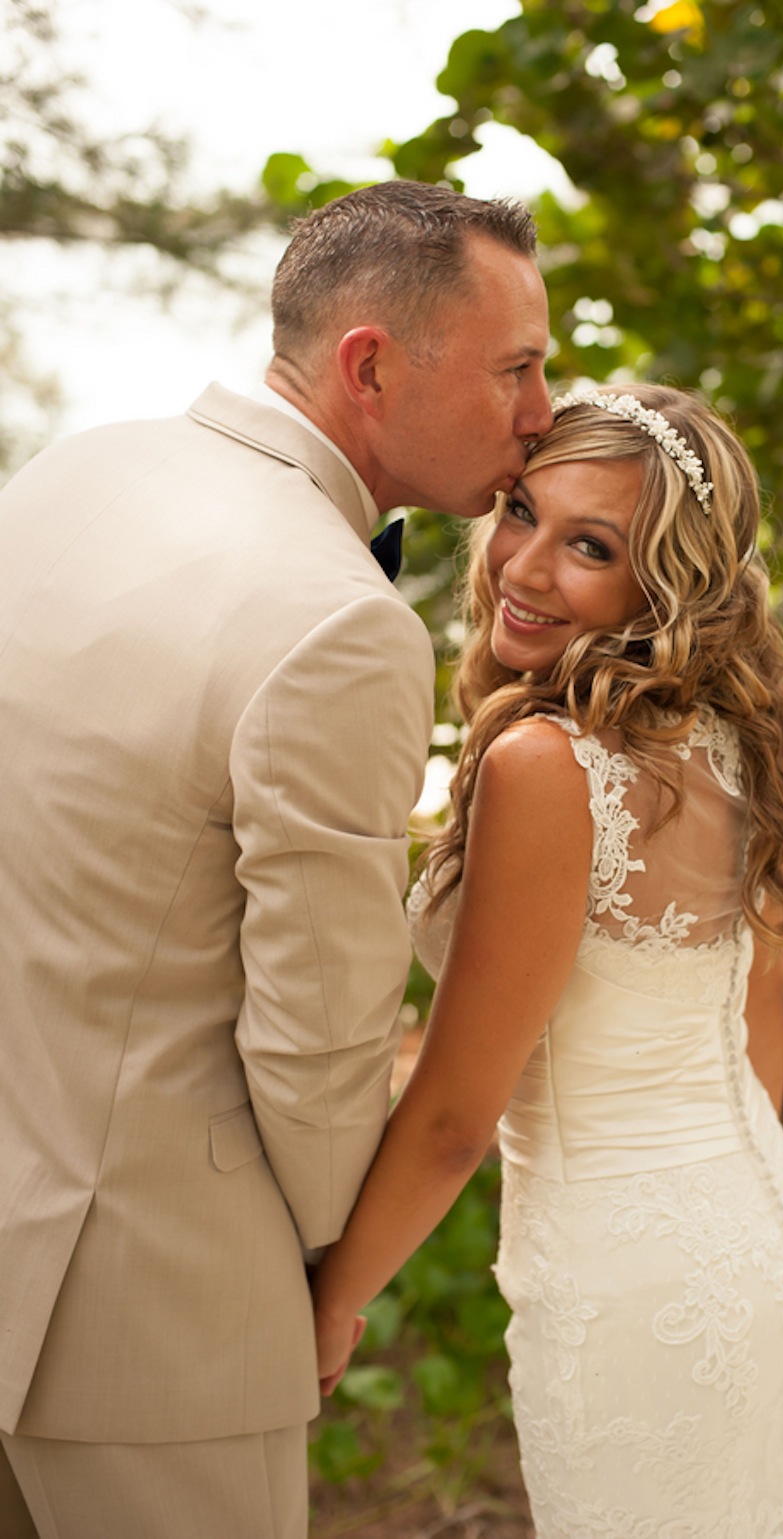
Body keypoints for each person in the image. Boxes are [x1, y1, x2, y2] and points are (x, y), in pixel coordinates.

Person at [0, 180, 552, 1539]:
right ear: (370, 364)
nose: (542, 415)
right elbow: (316, 1041)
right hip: (160, 1314)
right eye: (518, 368)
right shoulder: (342, 625)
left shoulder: (74, 468)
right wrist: (324, 1265)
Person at [312, 384, 783, 1536]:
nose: (521, 568)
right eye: (518, 513)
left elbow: (456, 1114)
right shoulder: (736, 747)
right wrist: (727, 1215)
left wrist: (331, 1301)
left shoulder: (547, 767)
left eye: (588, 545)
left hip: (631, 1286)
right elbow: (760, 1024)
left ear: (664, 583)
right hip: (762, 1233)